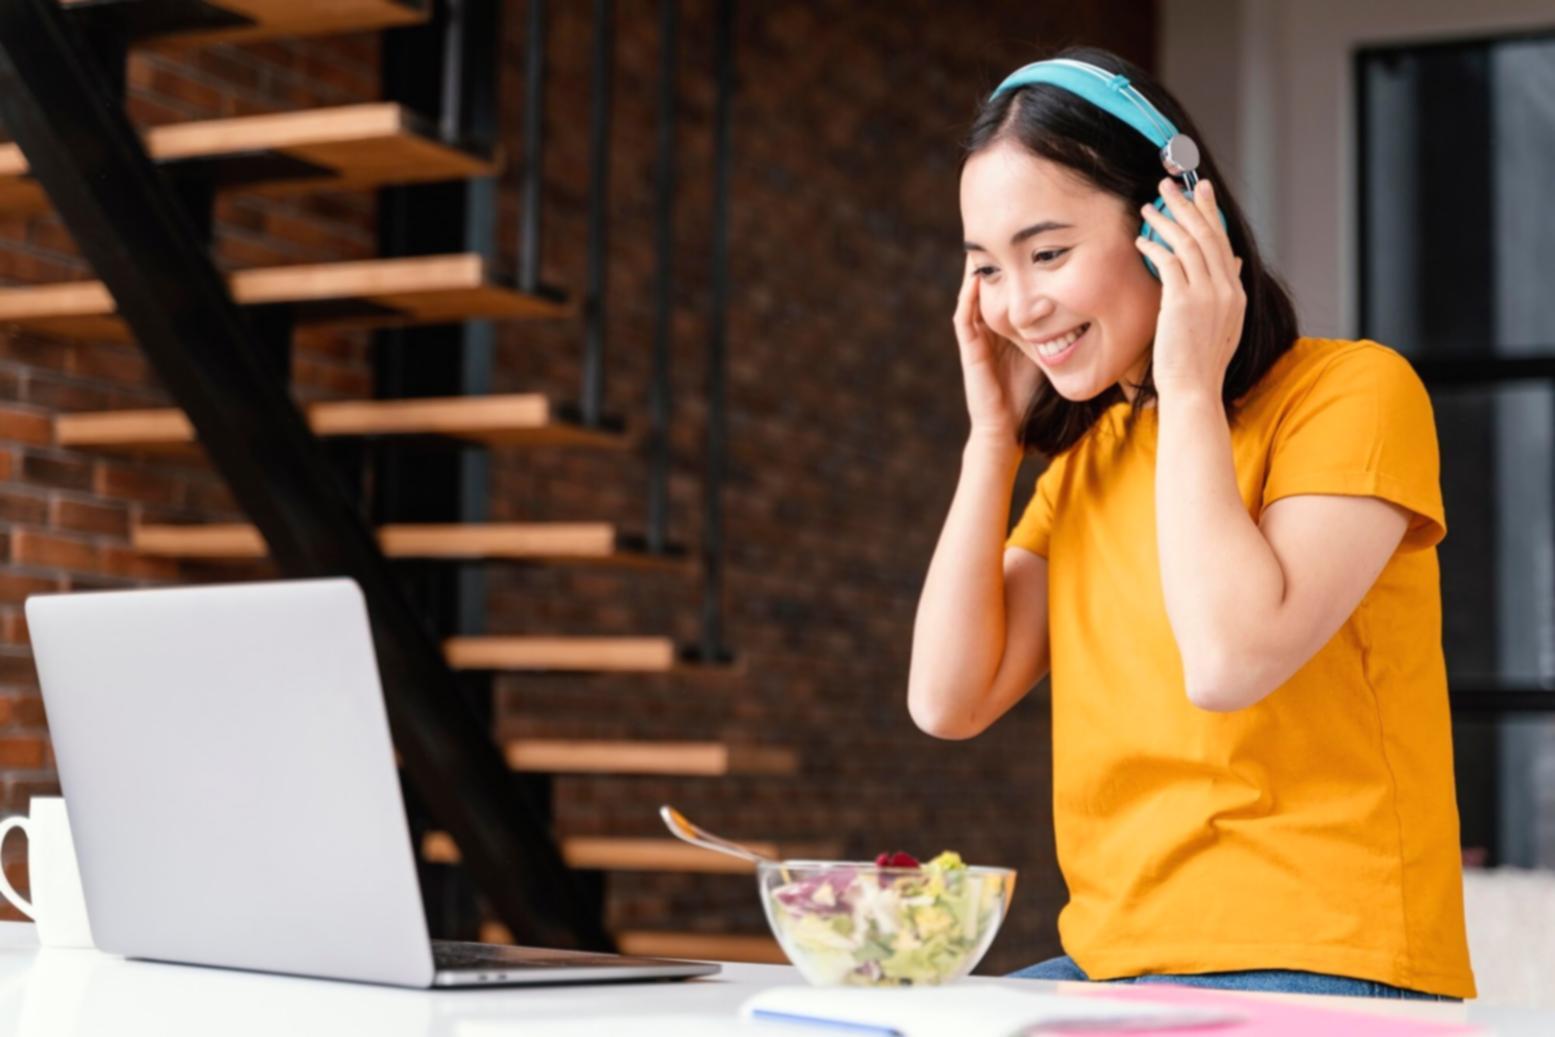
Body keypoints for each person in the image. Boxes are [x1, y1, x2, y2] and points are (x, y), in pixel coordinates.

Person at [907, 44, 1475, 1001]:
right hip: (1118, 967)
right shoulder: (1088, 461)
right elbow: (946, 701)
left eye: (1047, 253)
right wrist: (991, 442)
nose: (1017, 304)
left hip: (1323, 958)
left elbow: (1227, 661)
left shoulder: (1352, 394)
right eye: (986, 270)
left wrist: (1186, 388)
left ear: (1176, 222)